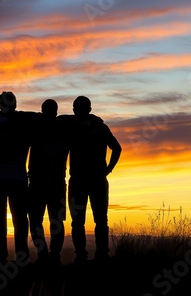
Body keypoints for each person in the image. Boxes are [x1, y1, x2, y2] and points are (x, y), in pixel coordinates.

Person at [0, 91, 39, 264]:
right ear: (15, 104)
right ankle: (21, 257)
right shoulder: (25, 123)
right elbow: (41, 116)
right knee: (20, 220)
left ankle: (2, 257)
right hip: (17, 179)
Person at [67, 96, 122, 263]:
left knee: (79, 221)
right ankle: (100, 255)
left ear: (76, 109)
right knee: (99, 219)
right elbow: (117, 148)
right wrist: (108, 170)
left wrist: (107, 170)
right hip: (95, 179)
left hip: (81, 181)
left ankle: (83, 256)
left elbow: (117, 148)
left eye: (77, 108)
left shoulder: (72, 126)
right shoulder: (100, 127)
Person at [28, 99, 69, 265]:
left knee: (39, 221)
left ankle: (47, 254)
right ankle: (51, 255)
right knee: (54, 222)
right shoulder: (65, 127)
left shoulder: (36, 127)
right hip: (53, 183)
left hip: (43, 183)